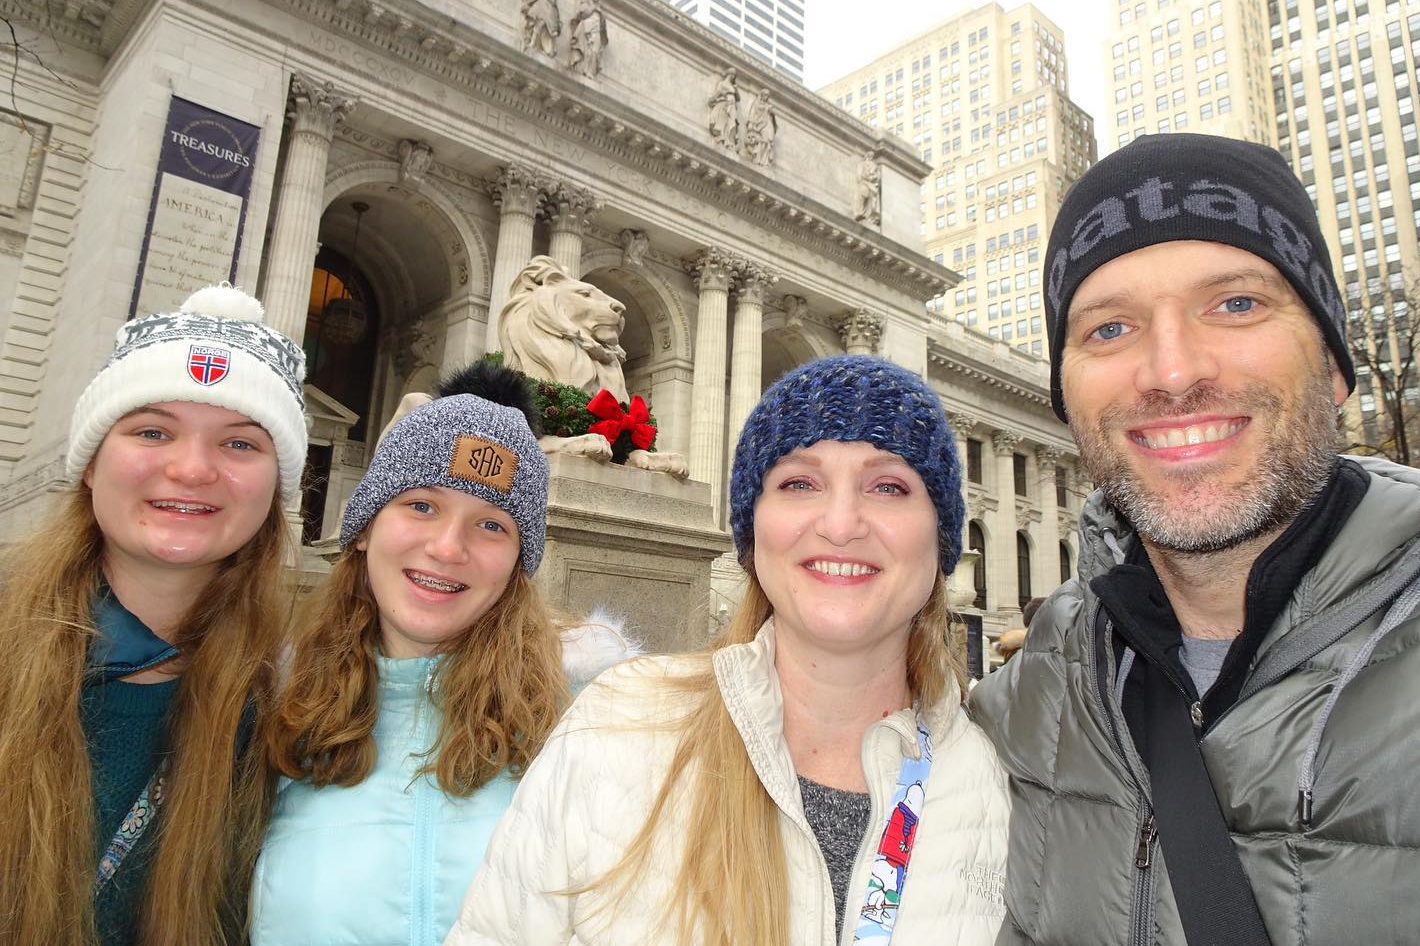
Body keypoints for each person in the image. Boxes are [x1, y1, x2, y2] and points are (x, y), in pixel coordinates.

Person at [970, 133, 1420, 945]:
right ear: (1067, 399)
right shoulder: (1026, 704)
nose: (1174, 371)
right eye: (1109, 329)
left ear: (1332, 360)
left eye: (1235, 303)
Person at [448, 355, 1010, 946]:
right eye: (799, 482)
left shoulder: (1009, 784)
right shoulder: (616, 726)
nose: (842, 523)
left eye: (889, 486)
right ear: (753, 532)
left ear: (940, 537)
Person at [250, 359, 635, 946]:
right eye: (422, 506)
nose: (448, 548)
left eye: (491, 525)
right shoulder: (268, 712)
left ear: (517, 565)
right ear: (364, 527)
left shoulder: (593, 719)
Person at [0, 285, 308, 946]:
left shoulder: (295, 709)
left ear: (274, 489)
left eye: (240, 444)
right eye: (152, 431)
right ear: (89, 465)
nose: (191, 469)